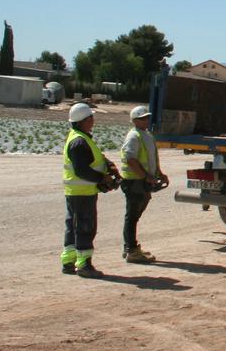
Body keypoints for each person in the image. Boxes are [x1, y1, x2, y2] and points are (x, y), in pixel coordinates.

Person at [61, 102, 119, 278]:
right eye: (90, 117)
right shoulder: (79, 142)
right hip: (82, 192)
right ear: (83, 120)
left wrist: (108, 165)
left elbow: (95, 157)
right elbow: (82, 170)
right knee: (85, 227)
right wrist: (102, 178)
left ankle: (68, 261)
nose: (93, 120)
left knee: (73, 226)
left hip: (77, 192)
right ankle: (84, 264)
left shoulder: (80, 137)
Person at [119, 105, 167, 263]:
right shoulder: (134, 136)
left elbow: (152, 158)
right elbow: (130, 160)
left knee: (134, 216)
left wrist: (159, 173)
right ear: (134, 120)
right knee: (132, 217)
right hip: (134, 182)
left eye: (147, 117)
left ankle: (130, 247)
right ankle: (131, 250)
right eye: (143, 118)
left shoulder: (146, 135)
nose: (146, 120)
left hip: (142, 181)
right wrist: (146, 176)